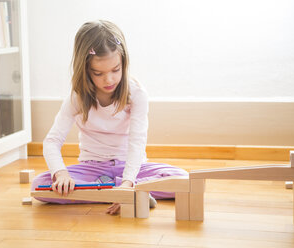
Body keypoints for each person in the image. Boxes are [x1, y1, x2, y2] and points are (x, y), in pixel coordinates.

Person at [31, 20, 188, 215]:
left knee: (183, 179)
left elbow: (137, 142)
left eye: (116, 70)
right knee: (40, 185)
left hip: (130, 168)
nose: (109, 80)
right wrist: (61, 174)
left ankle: (119, 191)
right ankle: (132, 193)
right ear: (85, 70)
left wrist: (129, 181)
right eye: (98, 73)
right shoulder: (77, 98)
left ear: (124, 63)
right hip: (93, 169)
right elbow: (51, 141)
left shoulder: (136, 93)